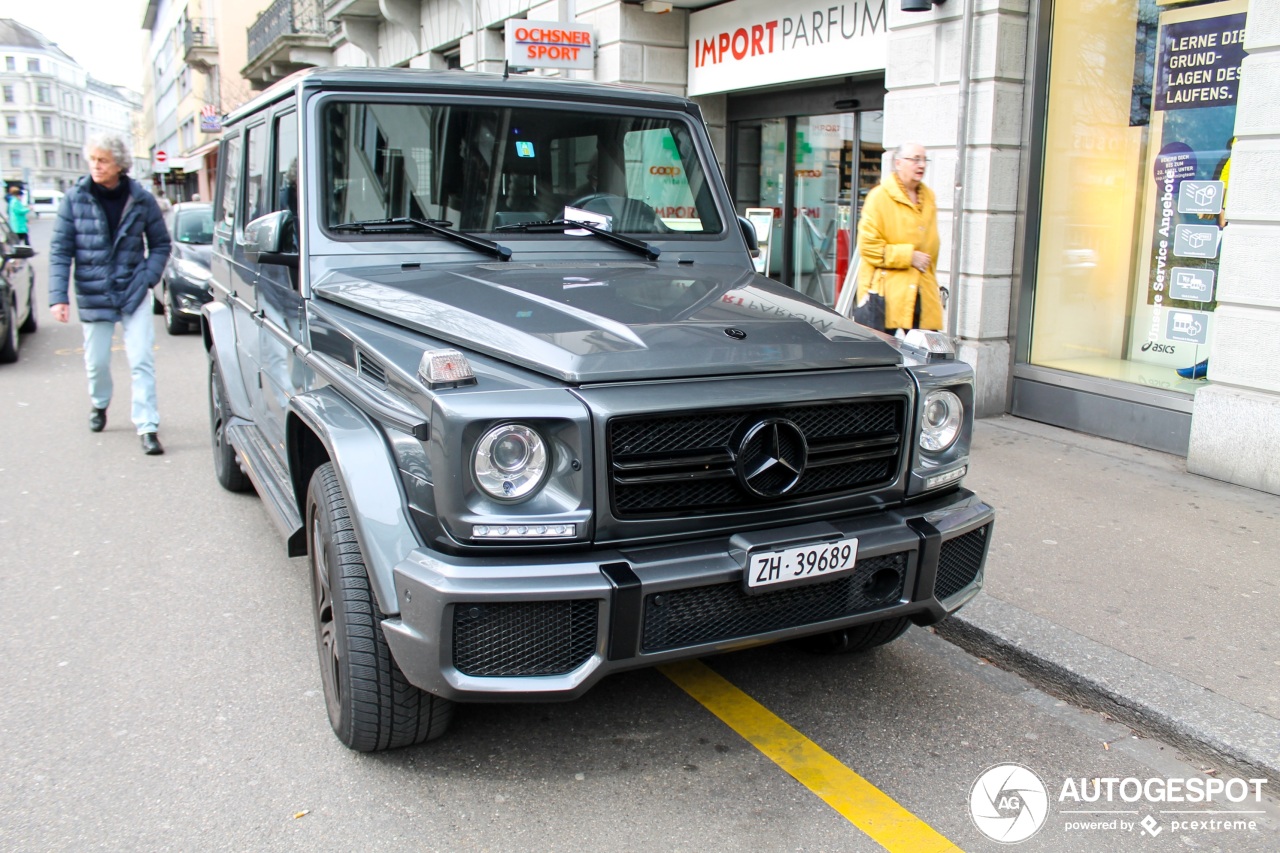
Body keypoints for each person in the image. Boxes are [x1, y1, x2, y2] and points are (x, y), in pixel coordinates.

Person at [49, 133, 172, 456]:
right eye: (92, 160)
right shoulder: (74, 199)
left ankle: (147, 426)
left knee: (142, 359)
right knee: (97, 363)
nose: (96, 166)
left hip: (133, 291)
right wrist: (57, 297)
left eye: (102, 160)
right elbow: (61, 251)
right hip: (94, 294)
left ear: (119, 164)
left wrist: (147, 277)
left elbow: (160, 244)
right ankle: (100, 403)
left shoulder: (141, 199)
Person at [854, 142, 943, 333]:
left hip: (922, 291)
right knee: (879, 355)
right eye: (915, 160)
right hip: (885, 293)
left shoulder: (929, 198)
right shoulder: (879, 197)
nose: (921, 165)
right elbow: (869, 247)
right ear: (898, 163)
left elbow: (931, 249)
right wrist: (909, 257)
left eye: (924, 160)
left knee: (927, 355)